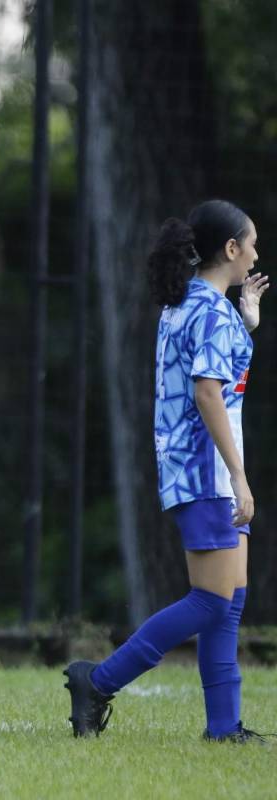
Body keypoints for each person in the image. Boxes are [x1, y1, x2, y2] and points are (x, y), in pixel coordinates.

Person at [65, 200, 267, 742]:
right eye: (250, 243)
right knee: (210, 601)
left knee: (229, 601)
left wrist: (247, 325)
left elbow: (222, 381)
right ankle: (98, 680)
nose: (255, 254)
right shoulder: (209, 311)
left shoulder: (189, 304)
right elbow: (207, 393)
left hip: (198, 470)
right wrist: (239, 476)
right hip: (207, 474)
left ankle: (224, 727)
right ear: (231, 249)